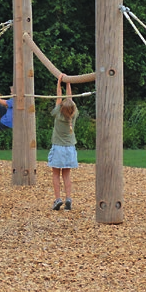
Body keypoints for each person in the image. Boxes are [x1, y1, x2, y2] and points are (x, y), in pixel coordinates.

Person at [48, 77, 79, 211]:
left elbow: (59, 95)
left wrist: (59, 82)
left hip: (58, 148)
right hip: (70, 149)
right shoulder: (74, 115)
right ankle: (68, 198)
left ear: (61, 108)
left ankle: (57, 199)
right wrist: (68, 82)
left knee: (56, 174)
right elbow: (69, 98)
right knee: (66, 175)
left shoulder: (58, 114)